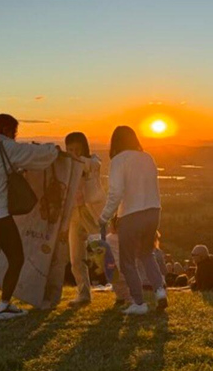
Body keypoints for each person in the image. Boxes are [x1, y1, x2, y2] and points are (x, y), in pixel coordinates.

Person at [0, 113, 61, 320]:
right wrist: (54, 150)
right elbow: (34, 154)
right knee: (16, 258)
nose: (15, 136)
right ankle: (4, 306)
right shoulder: (6, 146)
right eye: (14, 131)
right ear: (7, 129)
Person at [98, 126, 166, 315]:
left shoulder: (118, 160)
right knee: (146, 253)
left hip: (131, 214)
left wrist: (104, 216)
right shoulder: (147, 157)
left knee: (127, 261)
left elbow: (115, 193)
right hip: (154, 211)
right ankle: (160, 290)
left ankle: (139, 303)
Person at [64, 131, 103, 307]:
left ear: (84, 148)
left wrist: (73, 159)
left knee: (104, 253)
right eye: (70, 149)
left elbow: (92, 165)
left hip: (91, 212)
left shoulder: (93, 162)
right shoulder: (66, 167)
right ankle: (83, 294)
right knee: (76, 257)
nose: (73, 153)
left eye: (77, 149)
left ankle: (122, 290)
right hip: (73, 214)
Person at [104, 218, 131, 306]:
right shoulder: (126, 237)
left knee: (116, 284)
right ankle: (126, 298)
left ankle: (121, 298)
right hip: (125, 264)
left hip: (113, 265)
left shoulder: (109, 238)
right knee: (125, 283)